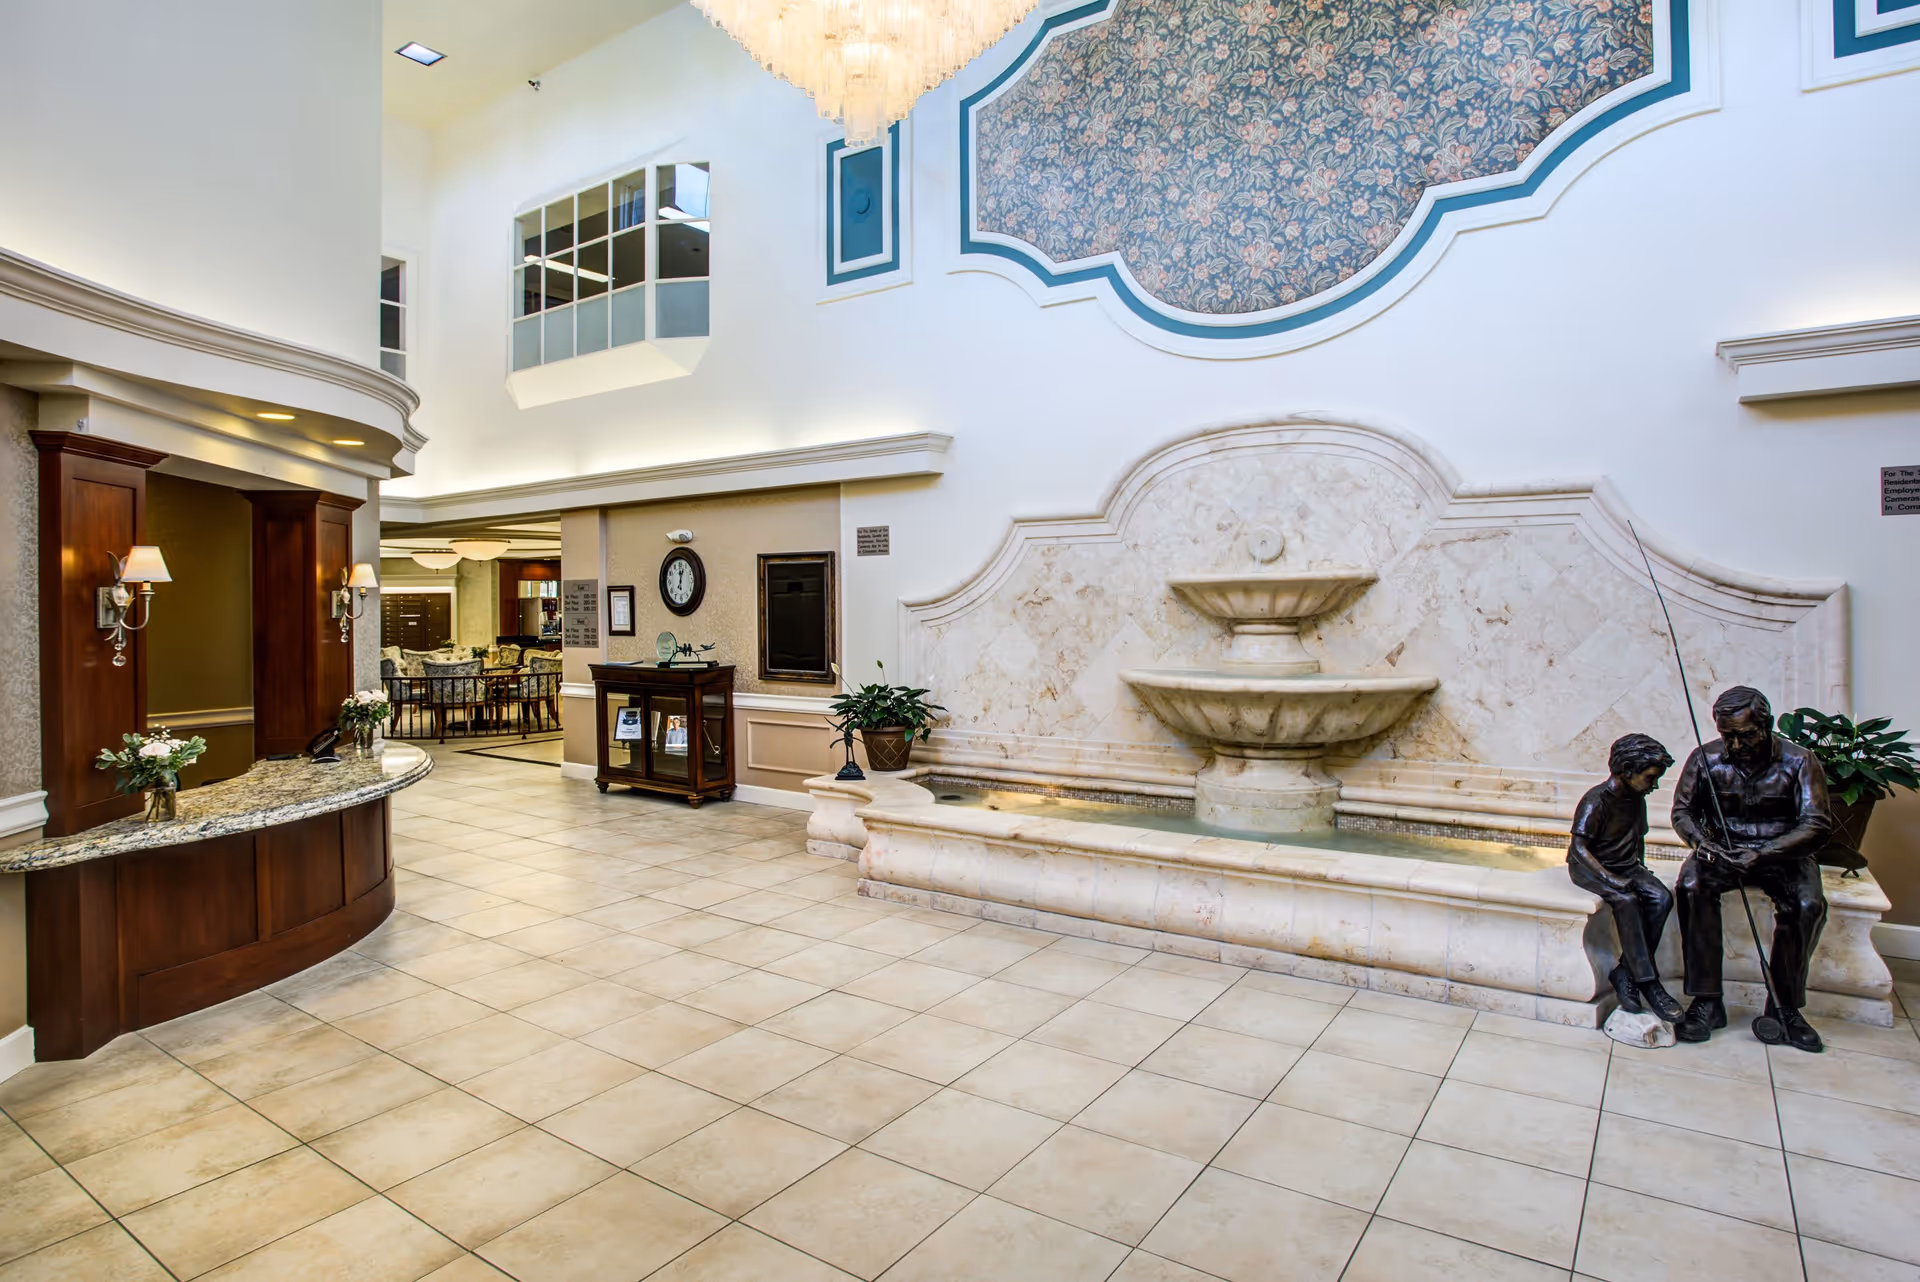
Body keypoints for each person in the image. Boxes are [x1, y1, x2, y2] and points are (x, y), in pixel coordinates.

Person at [1671, 686, 1832, 1052]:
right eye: (1727, 736)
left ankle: (1783, 1007)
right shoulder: (1704, 759)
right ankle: (1707, 1001)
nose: (1736, 745)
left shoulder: (1801, 761)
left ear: (1768, 724)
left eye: (1746, 735)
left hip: (1784, 854)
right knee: (1691, 885)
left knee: (1807, 905)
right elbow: (1683, 812)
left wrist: (1767, 853)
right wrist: (1702, 843)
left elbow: (1816, 825)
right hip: (1723, 853)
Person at [1568, 733, 1683, 1021]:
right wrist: (1610, 878)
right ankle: (1648, 982)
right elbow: (1579, 848)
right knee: (1626, 900)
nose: (1653, 785)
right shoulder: (1596, 800)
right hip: (1591, 867)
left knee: (1661, 897)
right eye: (1650, 777)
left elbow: (1637, 837)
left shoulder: (1636, 799)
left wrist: (1640, 867)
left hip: (1625, 865)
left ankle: (1625, 973)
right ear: (1626, 770)